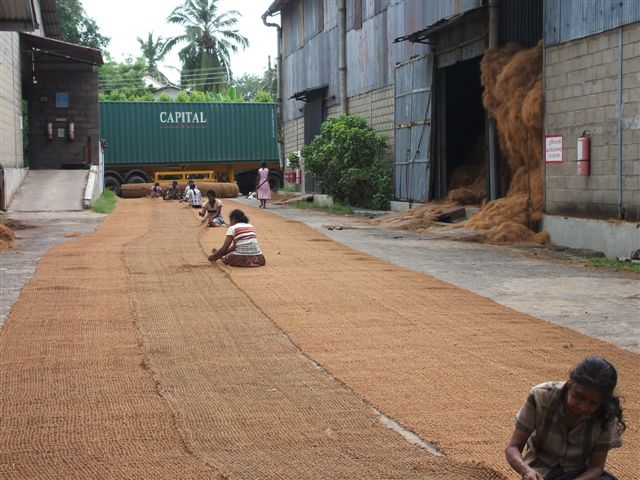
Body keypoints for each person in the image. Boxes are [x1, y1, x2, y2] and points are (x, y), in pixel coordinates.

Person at [505, 356, 625, 480]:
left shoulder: (606, 413)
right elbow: (513, 448)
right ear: (570, 383)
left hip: (579, 473)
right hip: (541, 472)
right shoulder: (541, 396)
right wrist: (526, 471)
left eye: (593, 403)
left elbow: (596, 467)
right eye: (579, 396)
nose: (584, 407)